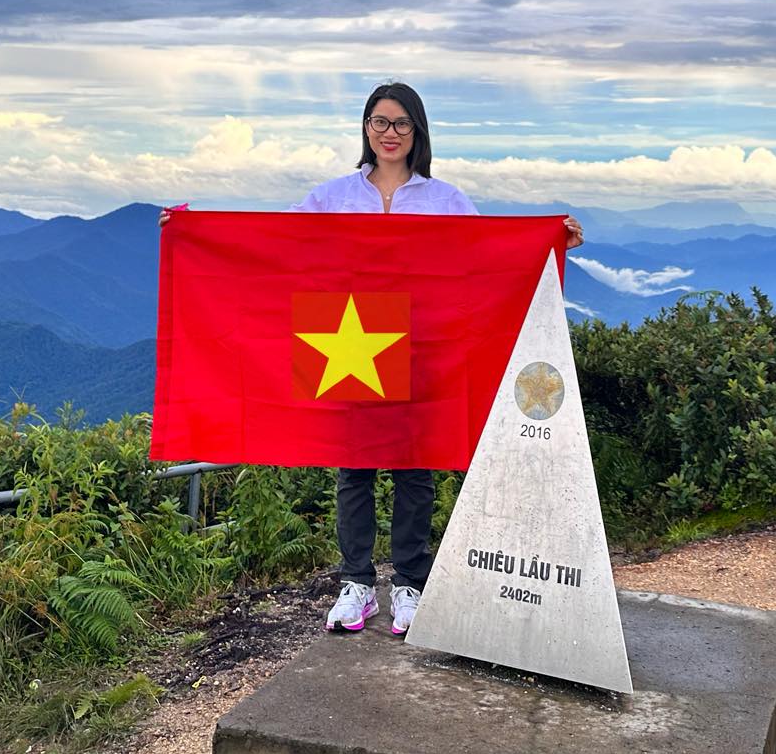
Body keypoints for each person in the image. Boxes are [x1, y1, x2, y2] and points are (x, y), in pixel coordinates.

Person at [163, 81, 582, 637]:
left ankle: (410, 585)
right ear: (365, 128)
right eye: (380, 122)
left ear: (418, 132)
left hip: (421, 349)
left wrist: (551, 243)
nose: (390, 133)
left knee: (415, 470)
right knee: (353, 470)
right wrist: (195, 233)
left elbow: (486, 264)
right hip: (346, 343)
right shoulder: (333, 195)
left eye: (401, 123)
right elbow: (274, 242)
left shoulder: (446, 201)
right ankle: (355, 583)